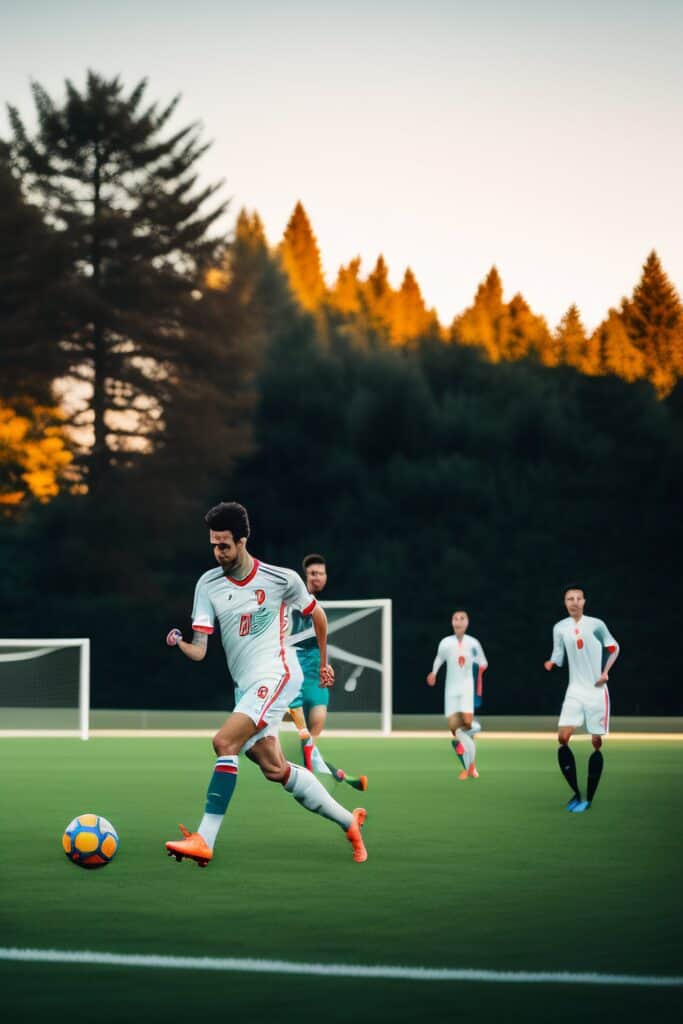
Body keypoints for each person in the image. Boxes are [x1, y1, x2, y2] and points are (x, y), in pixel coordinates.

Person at [164, 502, 367, 865]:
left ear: (242, 540)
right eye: (213, 544)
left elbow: (317, 614)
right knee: (275, 768)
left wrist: (323, 663)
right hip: (247, 686)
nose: (217, 552)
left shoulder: (280, 579)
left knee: (224, 742)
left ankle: (204, 839)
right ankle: (349, 822)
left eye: (224, 544)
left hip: (279, 673)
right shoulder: (207, 585)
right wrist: (179, 642)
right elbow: (199, 650)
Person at [287, 553, 368, 792]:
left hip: (313, 672)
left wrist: (325, 665)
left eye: (321, 573)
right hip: (292, 670)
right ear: (305, 577)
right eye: (313, 573)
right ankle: (326, 775)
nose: (317, 577)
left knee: (316, 723)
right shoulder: (293, 601)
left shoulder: (319, 607)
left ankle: (325, 771)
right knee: (300, 735)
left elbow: (320, 641)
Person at [544, 584, 620, 813]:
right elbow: (558, 654)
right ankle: (576, 793)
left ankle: (590, 796)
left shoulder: (596, 625)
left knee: (596, 743)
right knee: (562, 738)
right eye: (570, 599)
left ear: (584, 602)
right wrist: (552, 662)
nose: (574, 602)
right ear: (565, 603)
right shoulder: (559, 628)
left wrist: (605, 672)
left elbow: (614, 647)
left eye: (578, 598)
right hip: (574, 691)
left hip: (596, 692)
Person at [426, 610, 487, 780]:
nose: (458, 621)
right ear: (452, 622)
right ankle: (468, 766)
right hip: (451, 691)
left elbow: (483, 662)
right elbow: (439, 658)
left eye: (462, 618)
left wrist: (474, 668)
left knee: (466, 726)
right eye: (455, 618)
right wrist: (433, 673)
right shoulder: (446, 643)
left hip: (467, 689)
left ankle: (470, 766)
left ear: (467, 622)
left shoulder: (473, 643)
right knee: (456, 731)